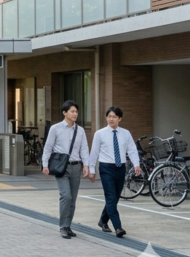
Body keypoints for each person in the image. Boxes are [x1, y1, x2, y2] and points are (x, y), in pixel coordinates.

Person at [88, 106, 140, 238]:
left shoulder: (126, 133)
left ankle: (103, 221)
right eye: (109, 116)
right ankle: (118, 227)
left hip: (120, 168)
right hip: (106, 168)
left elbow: (132, 150)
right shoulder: (99, 134)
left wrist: (136, 164)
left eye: (114, 117)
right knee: (111, 197)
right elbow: (94, 153)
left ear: (120, 119)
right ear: (106, 118)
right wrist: (91, 170)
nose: (111, 119)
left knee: (115, 198)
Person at [41, 100, 90, 239]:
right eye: (72, 111)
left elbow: (84, 149)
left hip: (76, 166)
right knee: (66, 196)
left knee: (72, 199)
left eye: (76, 111)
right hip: (61, 167)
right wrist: (45, 164)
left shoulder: (80, 130)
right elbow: (48, 147)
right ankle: (63, 226)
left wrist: (86, 165)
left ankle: (68, 226)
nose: (75, 114)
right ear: (64, 112)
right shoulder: (55, 129)